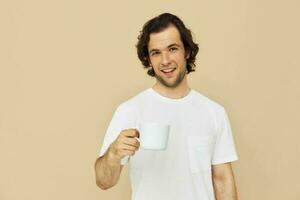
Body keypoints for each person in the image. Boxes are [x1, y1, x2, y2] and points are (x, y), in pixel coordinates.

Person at [94, 13, 239, 200]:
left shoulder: (214, 112)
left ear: (186, 51)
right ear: (148, 59)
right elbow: (103, 181)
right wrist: (113, 153)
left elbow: (222, 179)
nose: (165, 60)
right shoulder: (130, 110)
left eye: (172, 49)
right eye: (156, 52)